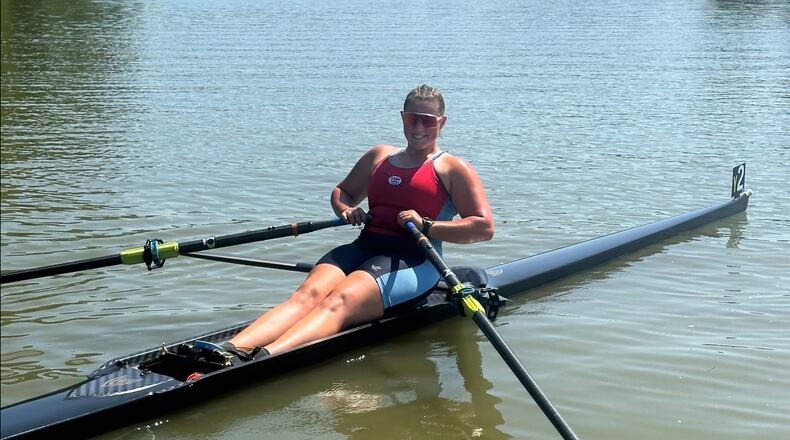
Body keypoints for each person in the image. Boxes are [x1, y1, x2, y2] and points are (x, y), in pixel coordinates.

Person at [222, 84, 494, 361]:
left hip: (415, 258)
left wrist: (425, 225)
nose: (418, 128)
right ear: (403, 118)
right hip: (364, 246)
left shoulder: (451, 168)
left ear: (442, 122)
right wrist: (346, 209)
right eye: (413, 119)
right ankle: (229, 349)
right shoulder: (380, 156)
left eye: (428, 121)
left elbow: (483, 228)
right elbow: (343, 192)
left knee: (338, 299)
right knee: (306, 295)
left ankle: (266, 357)